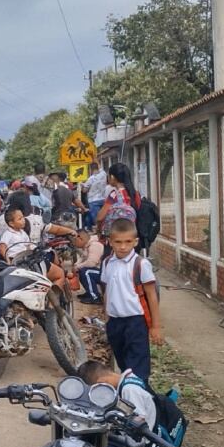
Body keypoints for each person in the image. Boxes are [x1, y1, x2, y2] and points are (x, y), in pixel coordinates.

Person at [100, 218, 163, 382]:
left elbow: (151, 295)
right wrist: (106, 317)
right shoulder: (107, 263)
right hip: (115, 322)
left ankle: (142, 401)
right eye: (118, 242)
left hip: (136, 322)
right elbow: (107, 291)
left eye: (128, 242)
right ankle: (129, 397)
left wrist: (155, 326)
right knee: (124, 366)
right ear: (110, 242)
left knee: (138, 369)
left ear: (135, 242)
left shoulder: (140, 264)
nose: (123, 246)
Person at [78, 360, 158, 447]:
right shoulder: (128, 380)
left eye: (97, 390)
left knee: (87, 446)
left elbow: (137, 429)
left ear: (102, 382)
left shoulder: (129, 391)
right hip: (134, 443)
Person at [0, 207, 74, 287]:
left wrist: (37, 249)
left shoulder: (22, 232)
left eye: (23, 217)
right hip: (17, 261)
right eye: (20, 219)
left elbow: (29, 245)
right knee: (56, 274)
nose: (23, 220)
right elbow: (2, 246)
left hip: (28, 259)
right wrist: (8, 261)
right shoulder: (8, 234)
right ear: (11, 223)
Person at [96, 162, 139, 237]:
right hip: (131, 234)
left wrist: (98, 229)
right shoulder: (135, 194)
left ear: (112, 177)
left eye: (108, 176)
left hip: (116, 235)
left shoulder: (114, 195)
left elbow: (100, 217)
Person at [72, 230, 105, 305]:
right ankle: (89, 292)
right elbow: (82, 258)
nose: (74, 243)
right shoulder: (87, 245)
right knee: (82, 270)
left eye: (75, 241)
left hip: (104, 272)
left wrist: (78, 267)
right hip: (97, 271)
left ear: (80, 238)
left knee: (86, 272)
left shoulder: (94, 245)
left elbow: (91, 263)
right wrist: (76, 265)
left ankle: (95, 297)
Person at [83, 162, 108, 231]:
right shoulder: (103, 174)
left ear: (91, 169)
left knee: (97, 219)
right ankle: (104, 231)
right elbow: (99, 165)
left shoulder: (91, 179)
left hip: (93, 201)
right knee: (104, 218)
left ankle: (99, 232)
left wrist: (82, 186)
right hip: (103, 199)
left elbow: (84, 190)